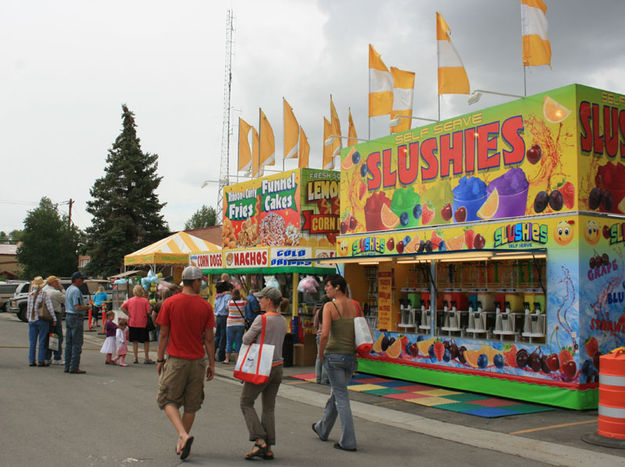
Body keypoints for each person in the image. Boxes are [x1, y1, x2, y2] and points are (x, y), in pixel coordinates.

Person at [156, 266, 215, 461]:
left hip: (176, 360)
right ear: (196, 281)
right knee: (191, 405)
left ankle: (182, 435)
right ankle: (182, 440)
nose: (202, 284)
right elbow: (209, 339)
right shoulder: (206, 306)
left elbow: (163, 334)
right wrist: (212, 364)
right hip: (197, 361)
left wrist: (159, 359)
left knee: (166, 399)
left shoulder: (170, 303)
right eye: (201, 281)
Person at [312, 274, 359, 451]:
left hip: (334, 354)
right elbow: (361, 328)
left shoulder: (329, 306)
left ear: (338, 287)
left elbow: (324, 334)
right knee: (337, 394)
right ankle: (322, 428)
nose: (326, 289)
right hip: (350, 356)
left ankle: (348, 440)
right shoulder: (356, 305)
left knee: (341, 397)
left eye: (328, 286)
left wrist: (320, 353)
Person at [240, 286, 287, 461]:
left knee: (246, 402)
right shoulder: (282, 320)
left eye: (261, 298)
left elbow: (246, 339)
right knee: (269, 407)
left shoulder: (261, 319)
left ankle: (260, 440)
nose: (259, 301)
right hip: (278, 366)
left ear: (269, 301)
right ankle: (268, 446)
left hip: (262, 366)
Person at [26, 276, 57, 367]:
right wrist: (54, 318)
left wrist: (29, 318)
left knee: (32, 342)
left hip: (32, 320)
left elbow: (29, 308)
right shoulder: (44, 294)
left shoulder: (30, 294)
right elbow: (50, 307)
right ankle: (41, 360)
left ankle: (31, 360)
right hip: (41, 319)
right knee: (42, 340)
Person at [65, 271, 91, 374]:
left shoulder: (69, 289)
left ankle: (67, 365)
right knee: (77, 343)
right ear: (76, 280)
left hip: (68, 316)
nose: (82, 281)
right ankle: (74, 366)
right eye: (81, 279)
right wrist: (87, 307)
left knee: (69, 343)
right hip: (76, 317)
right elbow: (77, 306)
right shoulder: (76, 291)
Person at [121, 285, 154, 364]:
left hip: (132, 322)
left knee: (134, 341)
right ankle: (146, 358)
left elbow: (122, 307)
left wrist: (128, 314)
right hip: (143, 323)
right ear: (141, 291)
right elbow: (149, 311)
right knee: (146, 341)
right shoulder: (145, 300)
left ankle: (135, 358)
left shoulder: (130, 300)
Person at [44, 275, 65, 365]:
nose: (58, 284)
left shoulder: (44, 291)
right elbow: (65, 298)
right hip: (55, 314)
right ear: (53, 283)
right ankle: (57, 357)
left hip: (45, 315)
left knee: (47, 336)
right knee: (57, 336)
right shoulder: (55, 292)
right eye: (57, 282)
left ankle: (46, 357)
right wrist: (62, 289)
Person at [225, 289, 246, 364]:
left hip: (230, 324)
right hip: (240, 324)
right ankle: (237, 359)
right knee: (238, 342)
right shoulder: (243, 303)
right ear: (239, 295)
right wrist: (242, 297)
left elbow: (227, 309)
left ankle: (227, 359)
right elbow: (248, 301)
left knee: (229, 342)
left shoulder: (229, 302)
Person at [313, 296, 331, 385]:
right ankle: (324, 379)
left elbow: (315, 325)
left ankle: (318, 378)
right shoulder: (330, 311)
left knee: (318, 356)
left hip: (319, 336)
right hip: (327, 336)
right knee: (326, 357)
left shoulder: (318, 312)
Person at [213, 281, 232, 362]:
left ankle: (212, 354)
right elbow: (227, 307)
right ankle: (221, 356)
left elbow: (215, 305)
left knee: (217, 336)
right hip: (224, 317)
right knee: (223, 337)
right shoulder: (227, 296)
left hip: (217, 317)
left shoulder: (217, 296)